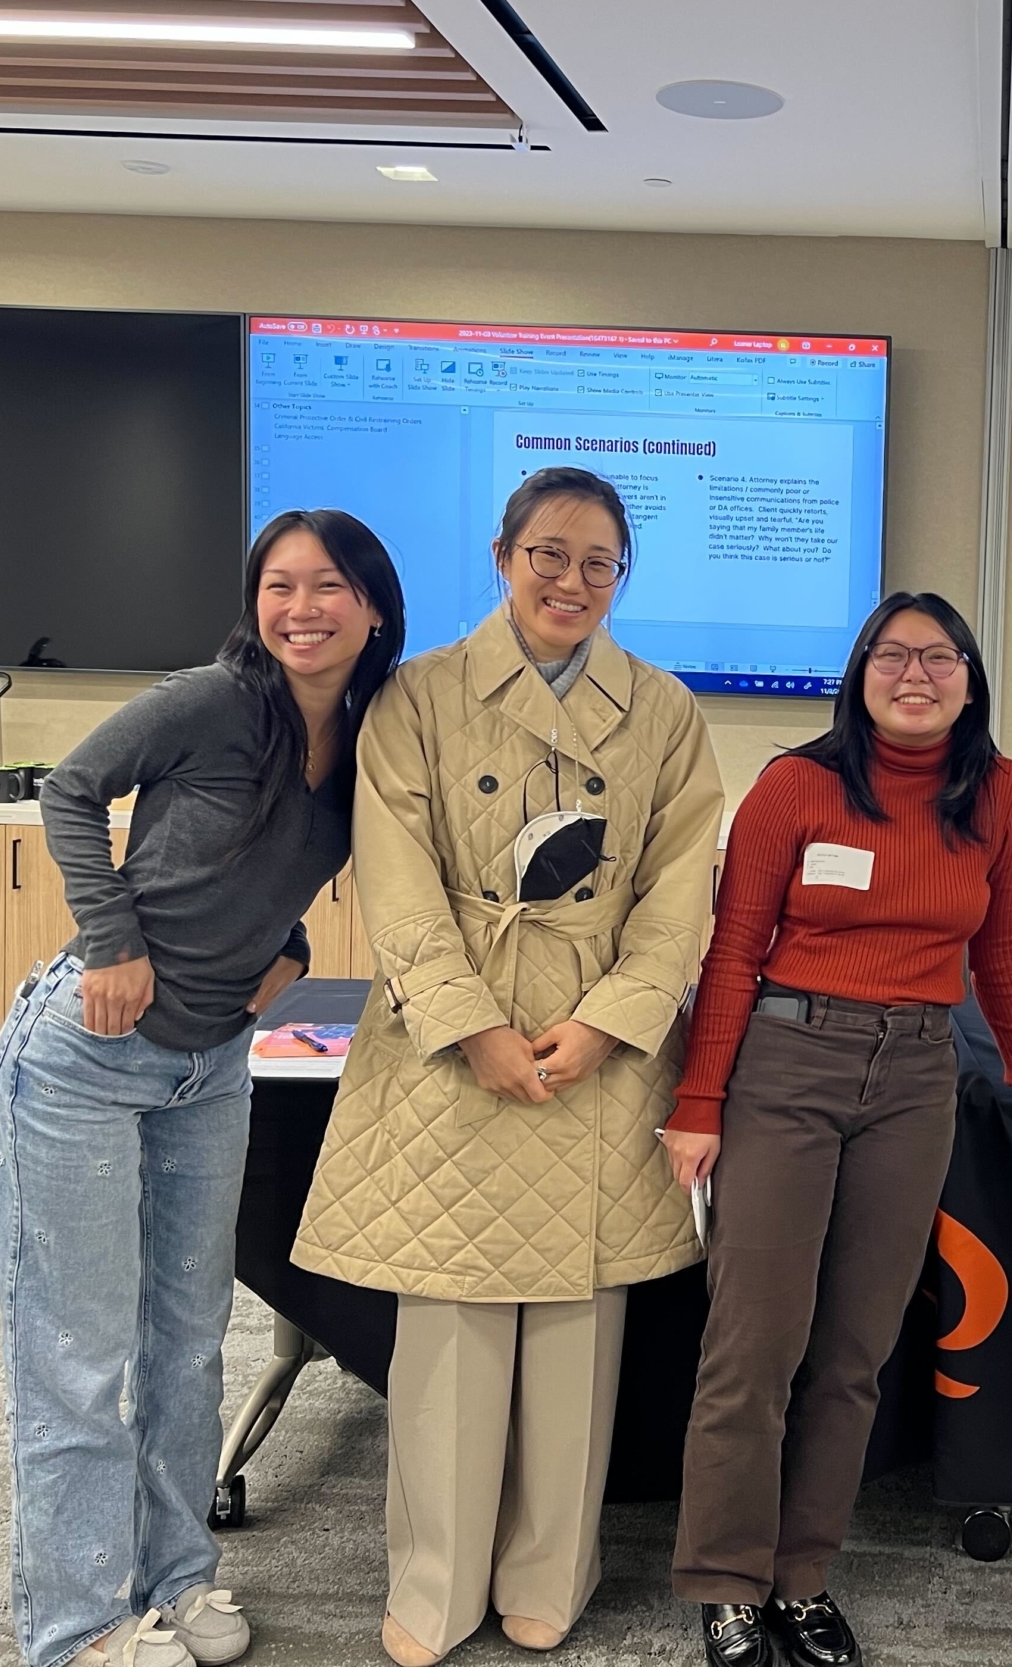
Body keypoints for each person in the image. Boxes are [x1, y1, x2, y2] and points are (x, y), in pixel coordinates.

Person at [293, 466, 723, 1667]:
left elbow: (681, 889)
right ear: (501, 554)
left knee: (578, 1337)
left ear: (620, 575)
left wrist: (614, 1020)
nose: (570, 581)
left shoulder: (665, 711)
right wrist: (469, 1021)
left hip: (595, 1047)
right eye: (549, 553)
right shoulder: (420, 696)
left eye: (597, 562)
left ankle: (551, 1573)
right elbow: (397, 877)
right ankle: (432, 1586)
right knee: (449, 1331)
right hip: (451, 1040)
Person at [0, 510, 405, 1667]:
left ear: (374, 606)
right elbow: (70, 790)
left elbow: (272, 875)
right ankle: (75, 1629)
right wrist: (110, 938)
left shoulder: (369, 737)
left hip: (214, 1066)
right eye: (278, 584)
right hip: (84, 1057)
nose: (301, 608)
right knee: (79, 1355)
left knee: (187, 1340)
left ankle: (179, 1576)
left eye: (327, 586)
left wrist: (299, 954)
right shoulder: (212, 701)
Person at [665, 591, 1012, 1667]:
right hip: (787, 1062)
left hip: (916, 1075)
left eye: (940, 656)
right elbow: (732, 952)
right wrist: (698, 1103)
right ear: (859, 674)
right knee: (753, 1348)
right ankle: (726, 1583)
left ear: (971, 675)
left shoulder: (1000, 793)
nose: (917, 675)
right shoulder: (796, 787)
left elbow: (1003, 940)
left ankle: (801, 1577)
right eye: (893, 656)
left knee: (856, 1353)